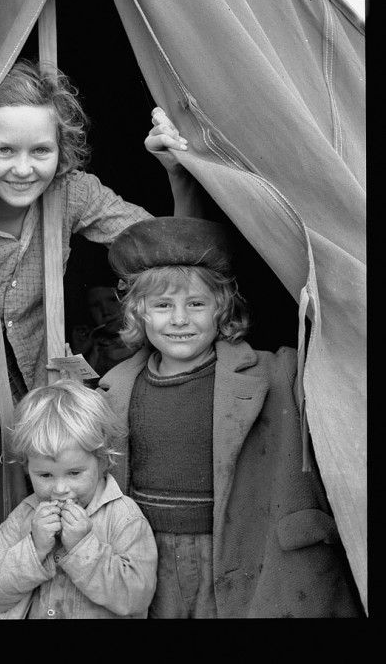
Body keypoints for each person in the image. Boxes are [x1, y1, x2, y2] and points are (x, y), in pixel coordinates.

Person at [97, 216, 362, 618]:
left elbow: (343, 343)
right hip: (146, 557)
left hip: (243, 555)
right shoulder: (114, 389)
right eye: (163, 306)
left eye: (196, 304)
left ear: (221, 308)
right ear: (138, 313)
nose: (180, 319)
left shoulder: (278, 373)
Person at [0, 58, 201, 401]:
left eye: (40, 150)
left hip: (41, 406)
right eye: (5, 150)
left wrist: (176, 171)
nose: (23, 169)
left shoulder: (70, 191)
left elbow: (170, 250)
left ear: (61, 149)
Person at [0, 379, 157, 619]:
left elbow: (136, 598)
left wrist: (83, 547)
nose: (59, 489)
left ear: (102, 461)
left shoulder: (124, 517)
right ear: (27, 468)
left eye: (74, 473)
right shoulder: (24, 515)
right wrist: (34, 548)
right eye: (46, 475)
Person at [69, 274, 136, 378]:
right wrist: (79, 352)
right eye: (96, 305)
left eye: (112, 300)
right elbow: (80, 389)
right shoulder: (95, 351)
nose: (105, 311)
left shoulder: (149, 345)